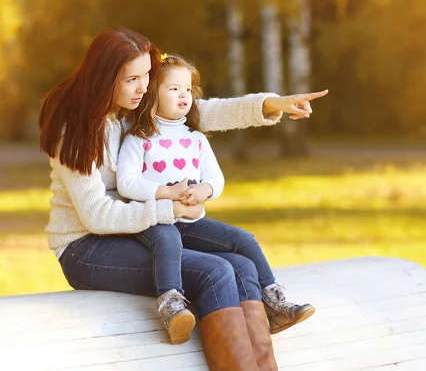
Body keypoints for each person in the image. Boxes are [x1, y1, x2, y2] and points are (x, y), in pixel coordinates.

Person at [38, 27, 328, 371]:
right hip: (86, 247)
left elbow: (200, 112)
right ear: (105, 78)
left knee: (243, 264)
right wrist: (169, 207)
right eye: (133, 79)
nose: (144, 87)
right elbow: (96, 215)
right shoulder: (73, 128)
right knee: (215, 272)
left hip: (142, 224)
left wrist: (271, 104)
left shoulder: (130, 104)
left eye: (147, 75)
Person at [115, 53, 315, 344]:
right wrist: (165, 193)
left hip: (192, 221)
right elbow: (127, 183)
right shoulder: (138, 139)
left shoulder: (195, 138)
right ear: (151, 95)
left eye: (188, 89)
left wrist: (204, 191)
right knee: (168, 240)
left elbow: (215, 178)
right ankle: (172, 305)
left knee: (243, 239)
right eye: (173, 89)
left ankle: (274, 301)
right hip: (156, 221)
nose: (184, 95)